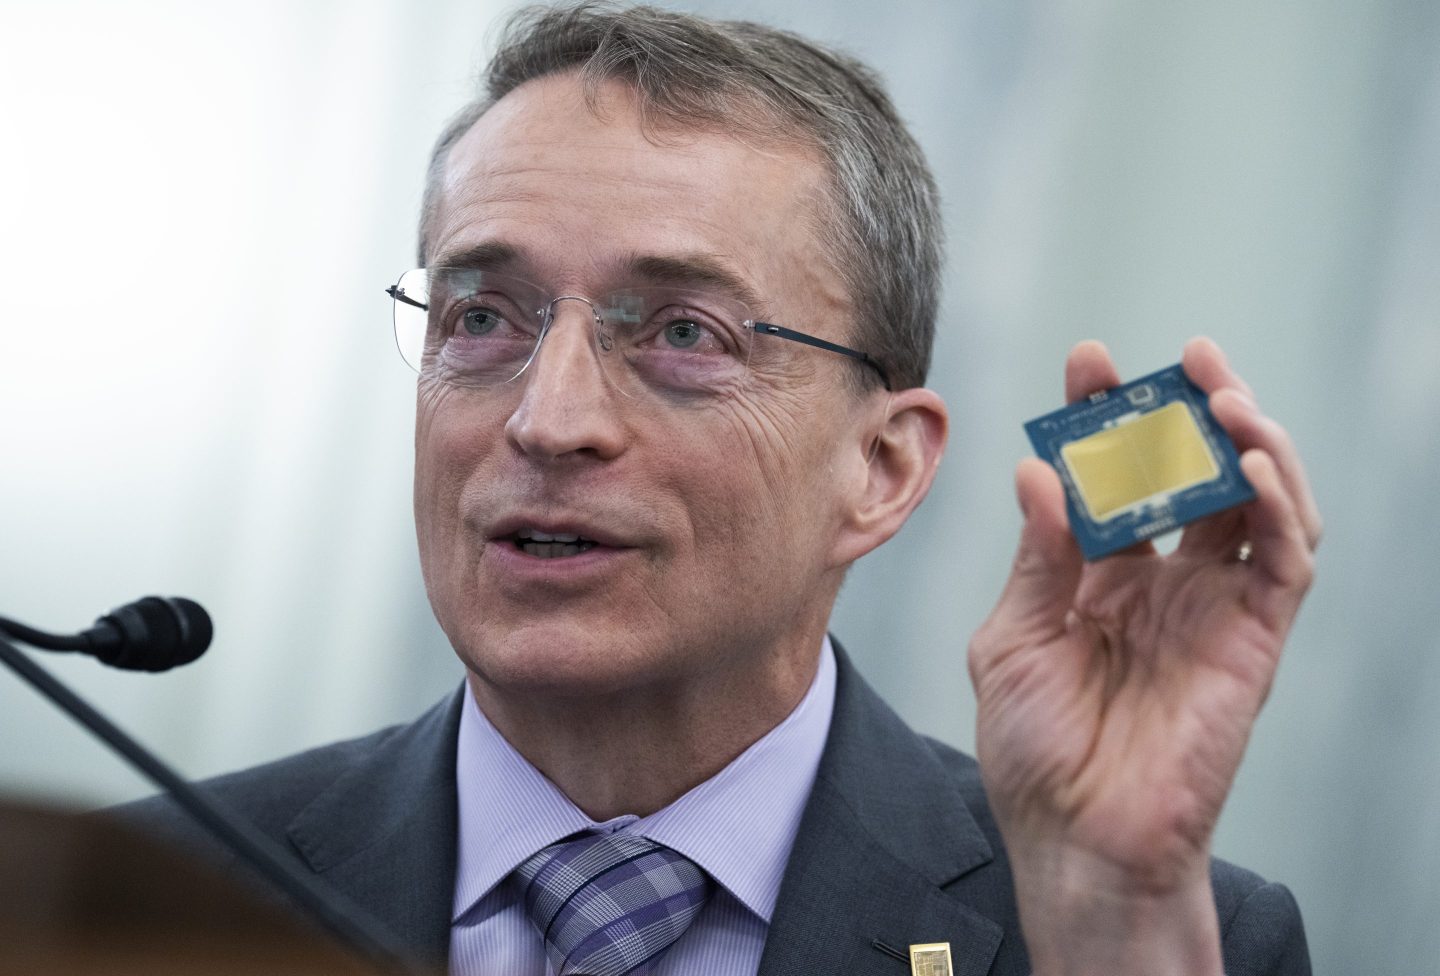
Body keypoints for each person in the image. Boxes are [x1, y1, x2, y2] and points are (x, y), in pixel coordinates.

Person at [125, 4, 1322, 974]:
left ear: (880, 468)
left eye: (684, 333)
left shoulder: (1159, 933)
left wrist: (1111, 921)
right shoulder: (142, 896)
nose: (549, 421)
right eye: (482, 317)